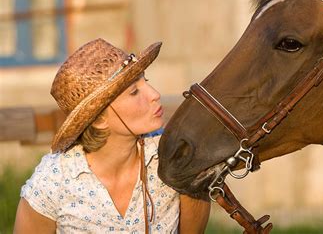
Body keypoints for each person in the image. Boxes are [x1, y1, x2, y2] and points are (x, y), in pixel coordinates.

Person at [13, 38, 210, 233]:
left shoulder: (175, 154)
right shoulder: (53, 183)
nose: (154, 94)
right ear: (99, 120)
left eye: (146, 81)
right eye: (134, 92)